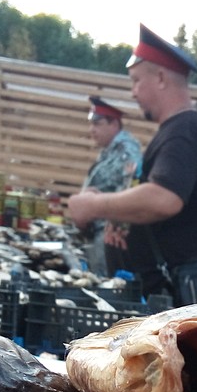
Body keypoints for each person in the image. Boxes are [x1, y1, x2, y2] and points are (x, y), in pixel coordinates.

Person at [67, 25, 197, 306]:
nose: (133, 92)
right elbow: (174, 209)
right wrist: (124, 217)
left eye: (137, 81)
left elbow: (165, 199)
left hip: (168, 299)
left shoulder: (182, 131)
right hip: (169, 291)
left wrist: (95, 205)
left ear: (161, 77)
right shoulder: (190, 128)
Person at [74, 96, 142, 277]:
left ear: (114, 124)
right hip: (98, 236)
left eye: (97, 123)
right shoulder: (111, 150)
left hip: (110, 237)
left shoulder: (127, 151)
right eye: (91, 123)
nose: (92, 130)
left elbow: (129, 192)